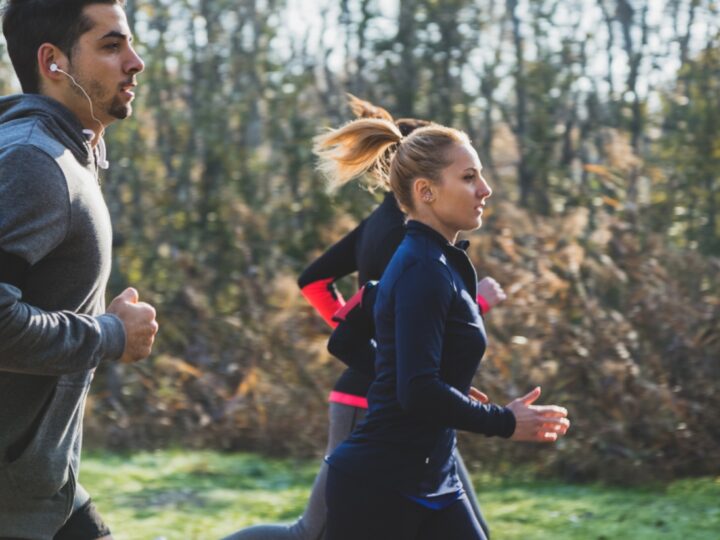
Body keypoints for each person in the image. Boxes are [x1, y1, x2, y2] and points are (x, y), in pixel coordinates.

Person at [222, 97, 506, 540]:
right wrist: (468, 314)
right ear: (422, 183)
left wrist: (391, 348)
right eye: (467, 175)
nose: (483, 188)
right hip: (375, 405)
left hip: (411, 408)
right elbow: (408, 315)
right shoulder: (409, 241)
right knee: (307, 534)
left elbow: (322, 288)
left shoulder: (391, 229)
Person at [314, 117, 571, 539]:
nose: (485, 189)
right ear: (426, 191)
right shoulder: (421, 269)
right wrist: (504, 421)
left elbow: (346, 339)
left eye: (482, 176)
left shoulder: (434, 263)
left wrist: (409, 375)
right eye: (469, 178)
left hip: (434, 479)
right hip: (379, 487)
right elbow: (416, 390)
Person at [0, 1, 157, 538]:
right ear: (54, 62)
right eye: (111, 46)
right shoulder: (34, 162)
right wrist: (111, 334)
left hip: (39, 484)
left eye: (129, 44)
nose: (134, 62)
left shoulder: (62, 153)